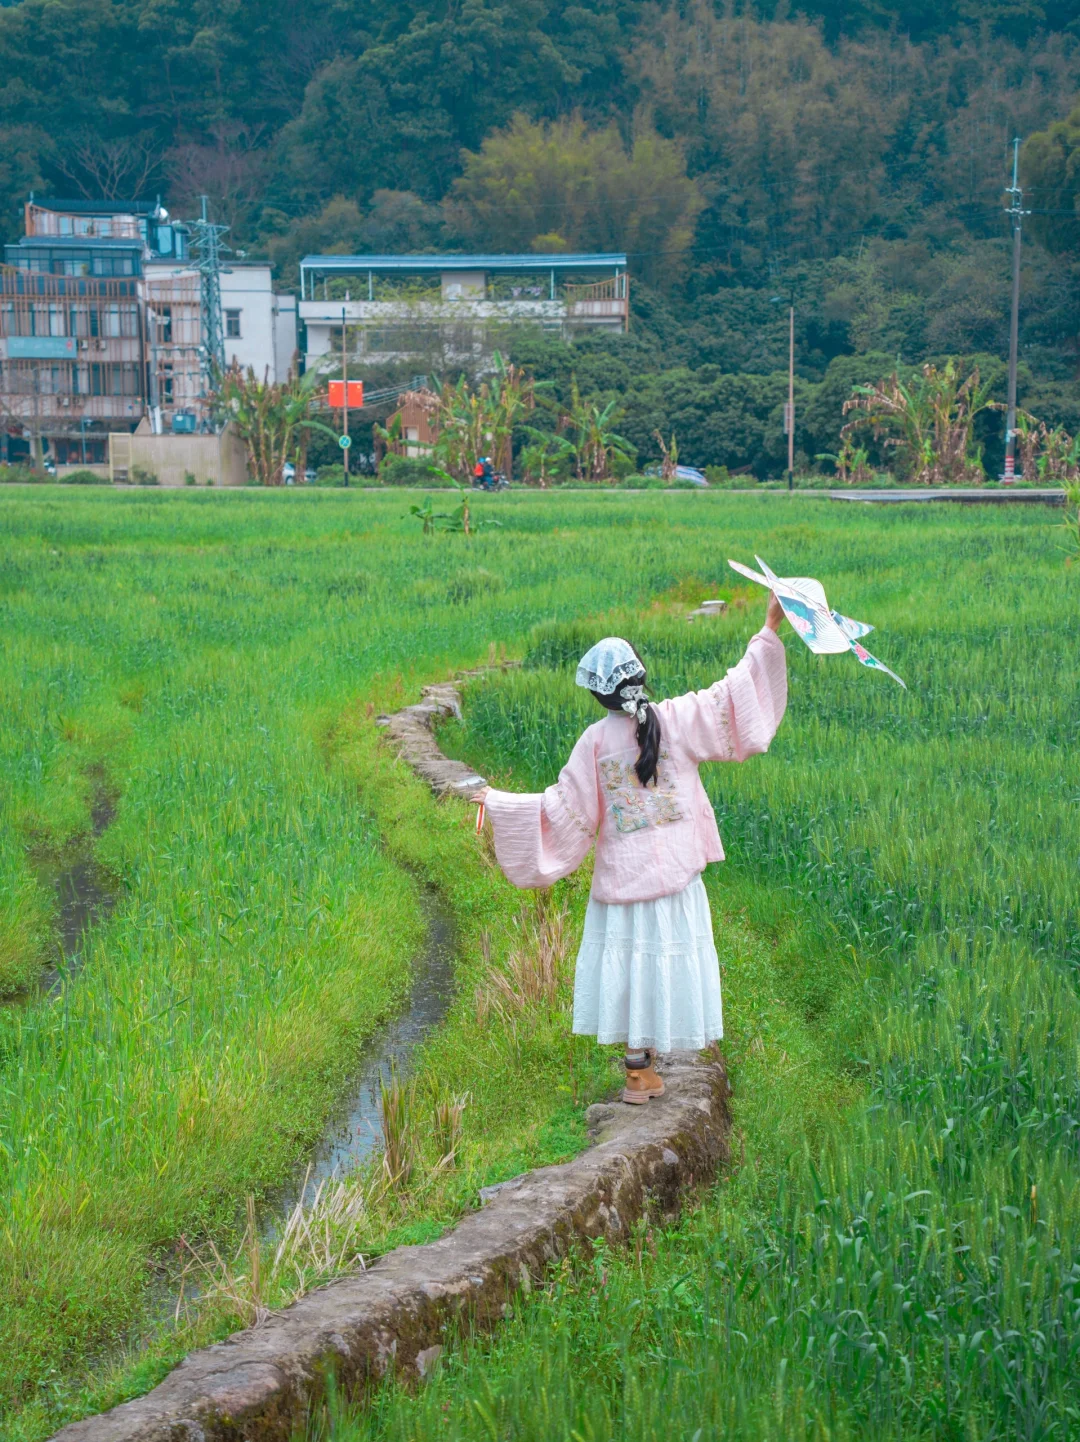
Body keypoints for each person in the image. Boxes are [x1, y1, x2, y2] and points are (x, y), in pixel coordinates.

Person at [472, 593, 787, 1103]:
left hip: (623, 883)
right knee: (663, 964)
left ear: (599, 696)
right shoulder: (676, 718)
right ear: (641, 677)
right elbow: (732, 696)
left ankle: (638, 1072)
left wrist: (497, 802)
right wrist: (769, 627)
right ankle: (647, 1070)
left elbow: (562, 810)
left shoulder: (594, 743)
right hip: (676, 880)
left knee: (634, 970)